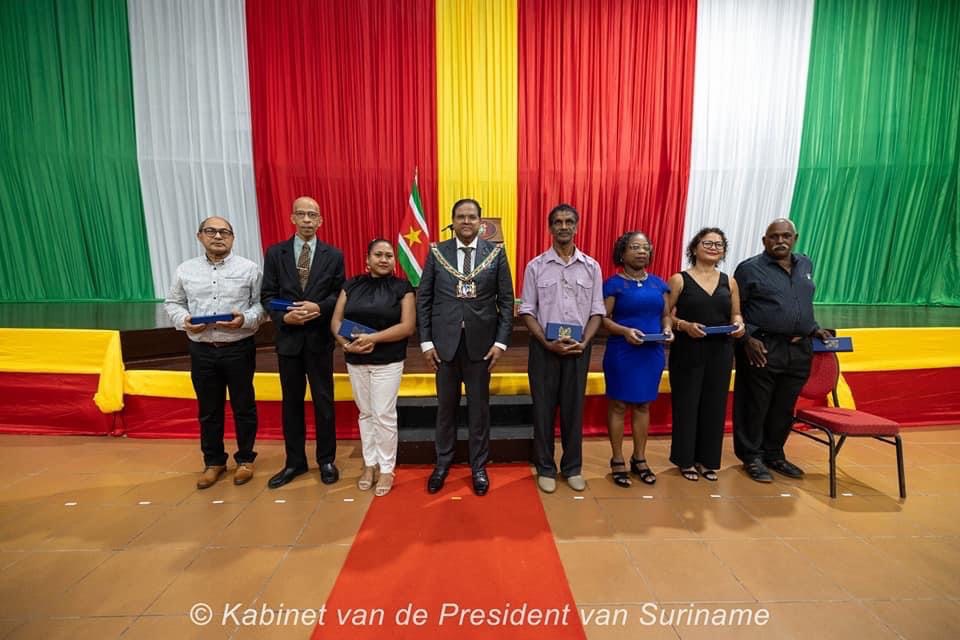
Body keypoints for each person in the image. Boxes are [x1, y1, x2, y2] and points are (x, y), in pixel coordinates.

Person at [417, 198, 514, 496]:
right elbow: (424, 299)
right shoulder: (437, 252)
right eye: (461, 217)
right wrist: (426, 342)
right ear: (453, 221)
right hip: (443, 346)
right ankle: (442, 464)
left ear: (481, 223)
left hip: (481, 347)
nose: (466, 221)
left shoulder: (495, 253)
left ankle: (478, 467)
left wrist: (500, 342)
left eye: (472, 217)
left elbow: (506, 301)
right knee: (445, 410)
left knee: (478, 411)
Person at [163, 217, 266, 489]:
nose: (218, 237)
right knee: (209, 410)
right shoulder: (185, 270)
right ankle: (214, 462)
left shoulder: (249, 269)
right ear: (200, 236)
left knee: (244, 407)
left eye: (224, 232)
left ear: (232, 238)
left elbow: (261, 305)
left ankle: (245, 459)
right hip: (202, 349)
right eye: (211, 231)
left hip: (238, 347)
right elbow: (173, 303)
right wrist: (184, 320)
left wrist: (244, 319)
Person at [733, 218, 832, 483]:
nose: (780, 241)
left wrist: (814, 328)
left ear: (794, 238)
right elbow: (734, 309)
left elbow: (801, 301)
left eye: (786, 236)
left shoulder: (805, 264)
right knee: (755, 405)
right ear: (764, 240)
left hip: (799, 349)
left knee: (784, 407)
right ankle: (752, 457)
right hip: (762, 346)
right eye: (774, 237)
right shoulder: (749, 269)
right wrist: (747, 338)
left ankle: (774, 454)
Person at [519, 204, 605, 493]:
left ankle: (572, 467)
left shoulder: (592, 267)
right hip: (544, 349)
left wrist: (585, 342)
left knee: (573, 410)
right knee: (543, 410)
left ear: (577, 226)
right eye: (558, 222)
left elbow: (597, 311)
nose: (564, 226)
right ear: (550, 228)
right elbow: (527, 311)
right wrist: (546, 342)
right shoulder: (536, 266)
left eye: (569, 221)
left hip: (579, 349)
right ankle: (545, 467)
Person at [261, 196, 345, 489]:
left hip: (320, 340)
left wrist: (319, 307)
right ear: (292, 218)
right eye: (302, 214)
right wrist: (284, 318)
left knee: (324, 401)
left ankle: (326, 460)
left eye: (312, 215)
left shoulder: (334, 255)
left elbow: (339, 294)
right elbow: (267, 295)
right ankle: (294, 462)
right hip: (289, 341)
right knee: (291, 404)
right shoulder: (276, 253)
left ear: (320, 220)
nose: (307, 220)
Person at [331, 239, 415, 497]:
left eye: (389, 255)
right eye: (378, 254)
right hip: (356, 359)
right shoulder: (351, 285)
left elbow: (407, 326)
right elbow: (336, 321)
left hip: (388, 361)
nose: (384, 259)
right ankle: (370, 464)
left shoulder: (403, 287)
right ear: (367, 259)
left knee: (383, 415)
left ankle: (387, 468)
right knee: (366, 414)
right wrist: (346, 345)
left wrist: (373, 339)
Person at [666, 228, 745, 482]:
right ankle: (685, 460)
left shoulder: (729, 282)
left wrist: (739, 324)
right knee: (687, 405)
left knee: (715, 406)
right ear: (695, 247)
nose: (713, 247)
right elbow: (664, 315)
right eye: (707, 243)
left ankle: (707, 460)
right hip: (688, 350)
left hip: (721, 351)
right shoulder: (679, 279)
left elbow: (736, 314)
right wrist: (684, 325)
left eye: (718, 244)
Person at [602, 231, 673, 487]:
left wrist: (668, 329)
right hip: (622, 351)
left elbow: (666, 315)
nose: (641, 251)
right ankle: (617, 458)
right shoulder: (613, 284)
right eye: (634, 247)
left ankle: (639, 458)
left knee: (643, 405)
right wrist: (624, 331)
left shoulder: (658, 284)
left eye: (645, 248)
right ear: (622, 253)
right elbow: (602, 319)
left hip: (651, 353)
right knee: (619, 405)